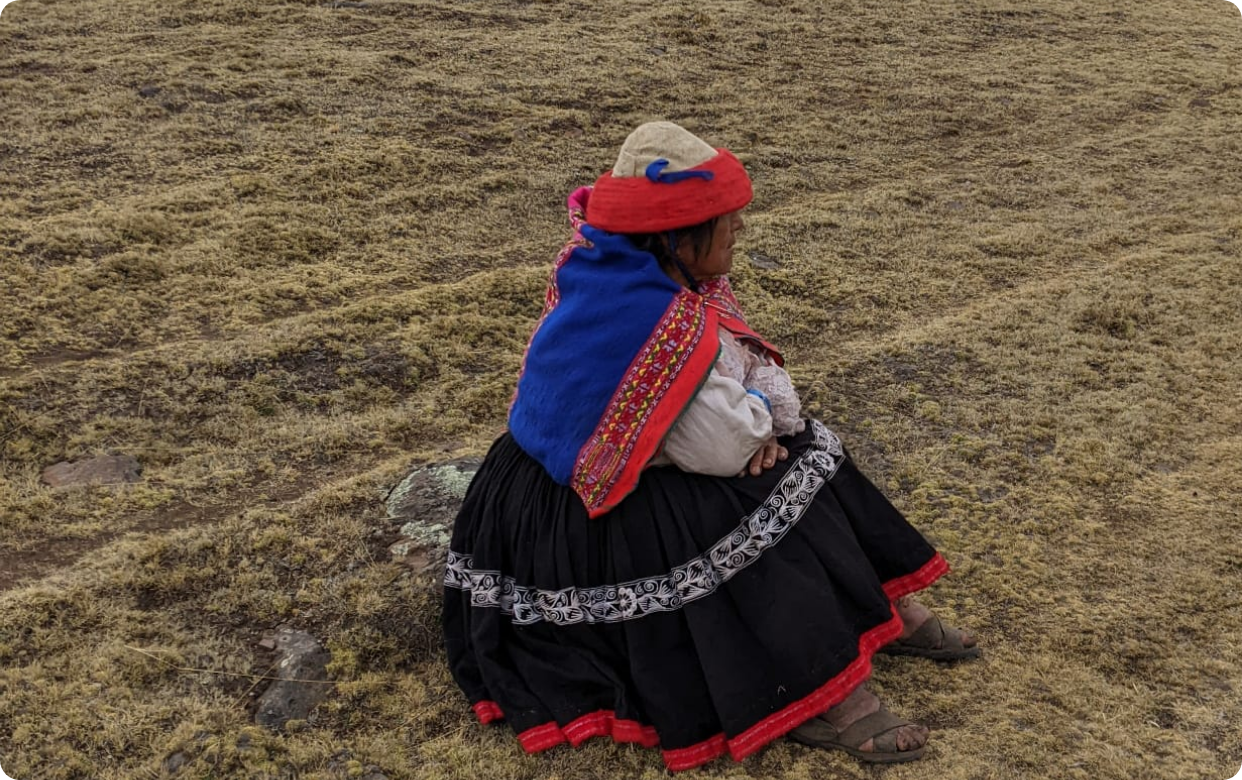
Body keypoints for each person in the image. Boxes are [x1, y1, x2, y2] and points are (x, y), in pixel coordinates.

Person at [441, 121, 979, 771]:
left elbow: (753, 372)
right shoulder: (646, 316)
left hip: (644, 461)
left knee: (807, 448)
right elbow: (725, 443)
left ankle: (885, 608)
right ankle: (820, 694)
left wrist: (760, 417)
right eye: (726, 220)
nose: (739, 232)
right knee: (748, 503)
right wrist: (758, 419)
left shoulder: (654, 275)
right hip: (572, 514)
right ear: (675, 234)